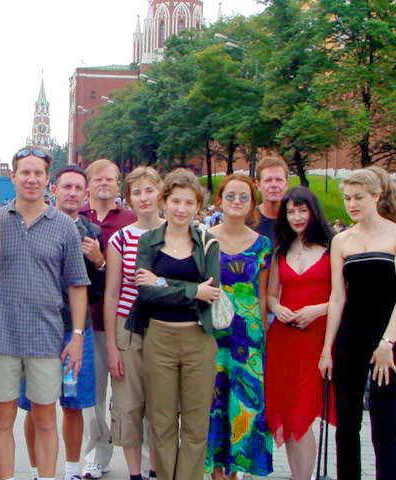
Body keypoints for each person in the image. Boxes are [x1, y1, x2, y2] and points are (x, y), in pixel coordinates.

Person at [0, 147, 90, 480]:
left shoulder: (64, 227)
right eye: (25, 173)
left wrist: (76, 336)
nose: (31, 179)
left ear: (47, 180)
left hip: (46, 338)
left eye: (38, 173)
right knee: (2, 419)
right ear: (13, 176)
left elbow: (77, 285)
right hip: (2, 337)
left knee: (45, 419)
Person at [128, 169, 221, 480]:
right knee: (162, 421)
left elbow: (211, 293)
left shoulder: (207, 243)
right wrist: (192, 291)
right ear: (164, 201)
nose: (181, 209)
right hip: (160, 338)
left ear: (198, 207)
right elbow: (146, 292)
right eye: (176, 201)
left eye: (189, 203)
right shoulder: (149, 241)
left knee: (196, 423)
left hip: (198, 339)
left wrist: (164, 283)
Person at [19, 165, 105, 480]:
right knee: (35, 404)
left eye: (78, 188)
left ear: (86, 194)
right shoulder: (35, 223)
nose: (71, 193)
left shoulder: (92, 233)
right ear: (54, 189)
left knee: (73, 403)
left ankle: (70, 470)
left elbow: (97, 291)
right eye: (66, 187)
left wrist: (99, 260)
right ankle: (35, 470)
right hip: (37, 330)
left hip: (74, 331)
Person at [319, 166, 396, 480]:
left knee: (385, 422)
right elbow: (338, 297)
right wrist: (327, 349)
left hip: (387, 335)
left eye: (358, 197)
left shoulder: (394, 234)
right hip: (351, 334)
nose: (352, 204)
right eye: (348, 198)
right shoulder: (341, 240)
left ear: (376, 196)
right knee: (347, 423)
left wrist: (388, 341)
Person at [206, 173, 273, 479]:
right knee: (212, 403)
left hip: (248, 339)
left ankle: (236, 473)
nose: (236, 201)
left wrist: (264, 338)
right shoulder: (204, 238)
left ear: (252, 203)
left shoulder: (262, 244)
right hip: (212, 335)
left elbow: (263, 294)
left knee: (244, 405)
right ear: (219, 200)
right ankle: (215, 472)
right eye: (230, 196)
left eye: (243, 197)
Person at [265, 187, 335, 480]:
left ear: (313, 212)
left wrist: (318, 309)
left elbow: (345, 295)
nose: (296, 217)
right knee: (289, 416)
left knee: (303, 415)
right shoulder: (281, 249)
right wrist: (277, 307)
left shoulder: (333, 247)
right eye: (291, 211)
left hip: (317, 339)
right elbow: (270, 295)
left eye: (302, 210)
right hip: (284, 339)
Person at [105, 166, 163, 480]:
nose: (143, 198)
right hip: (128, 327)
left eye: (149, 190)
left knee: (162, 403)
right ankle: (134, 473)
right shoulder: (121, 238)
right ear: (128, 199)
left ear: (161, 193)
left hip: (168, 326)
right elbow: (112, 293)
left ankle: (156, 467)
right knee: (128, 403)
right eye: (136, 192)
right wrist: (111, 346)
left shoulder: (179, 232)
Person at [80, 158, 136, 479]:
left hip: (125, 322)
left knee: (131, 393)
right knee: (93, 396)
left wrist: (101, 261)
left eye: (110, 179)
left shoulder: (131, 220)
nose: (104, 184)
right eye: (97, 179)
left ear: (118, 184)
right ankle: (97, 454)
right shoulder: (76, 217)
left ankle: (142, 456)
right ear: (88, 185)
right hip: (88, 321)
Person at [254, 158, 290, 243]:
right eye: (268, 180)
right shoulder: (248, 220)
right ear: (258, 185)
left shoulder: (296, 220)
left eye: (279, 180)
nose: (274, 185)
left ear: (286, 184)